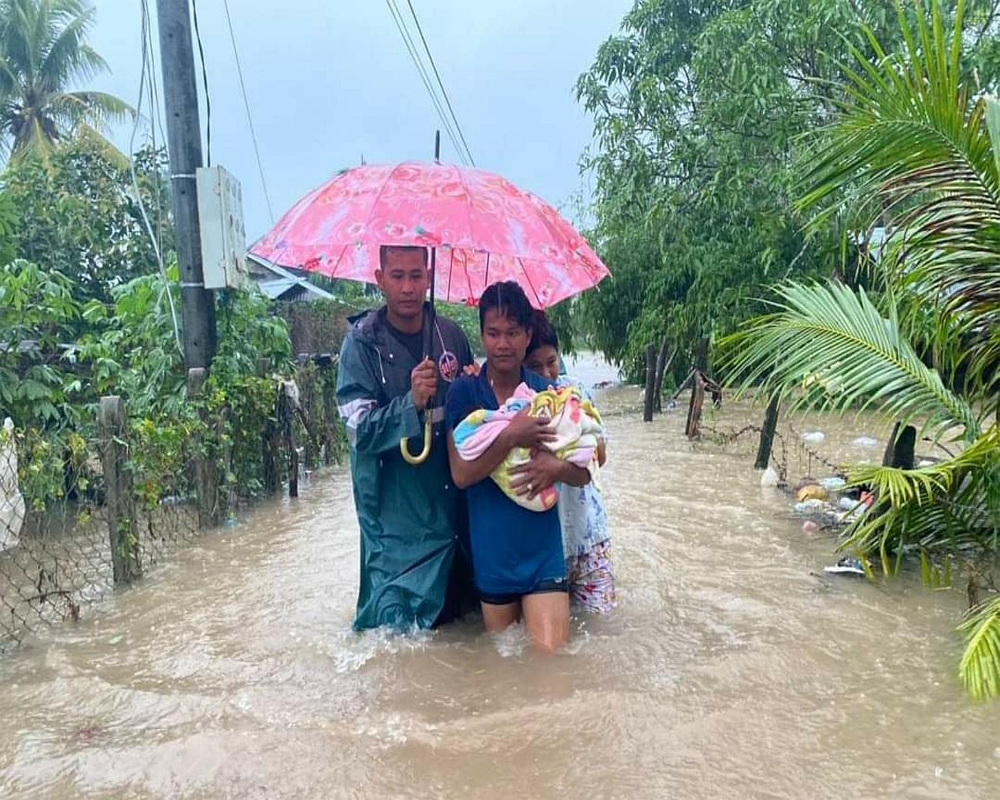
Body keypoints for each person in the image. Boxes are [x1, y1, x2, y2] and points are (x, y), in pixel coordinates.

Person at [445, 281, 591, 651]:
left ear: (528, 336)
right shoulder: (463, 392)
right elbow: (461, 475)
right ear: (481, 336)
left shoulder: (548, 392)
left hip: (543, 552)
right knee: (506, 673)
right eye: (493, 333)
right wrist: (512, 435)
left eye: (512, 333)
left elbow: (585, 468)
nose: (502, 343)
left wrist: (556, 470)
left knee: (552, 664)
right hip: (492, 554)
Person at [337, 245, 476, 631]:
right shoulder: (361, 344)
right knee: (394, 639)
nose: (408, 287)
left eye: (416, 275)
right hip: (393, 521)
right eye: (397, 276)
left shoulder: (450, 337)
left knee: (463, 631)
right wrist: (409, 403)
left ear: (428, 277)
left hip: (451, 514)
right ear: (379, 279)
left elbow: (470, 423)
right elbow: (357, 431)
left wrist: (474, 385)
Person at [524, 311, 616, 614]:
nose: (547, 372)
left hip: (590, 536)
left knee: (604, 631)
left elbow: (599, 456)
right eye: (535, 366)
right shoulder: (518, 404)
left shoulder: (575, 389)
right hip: (547, 547)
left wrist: (573, 422)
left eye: (551, 361)